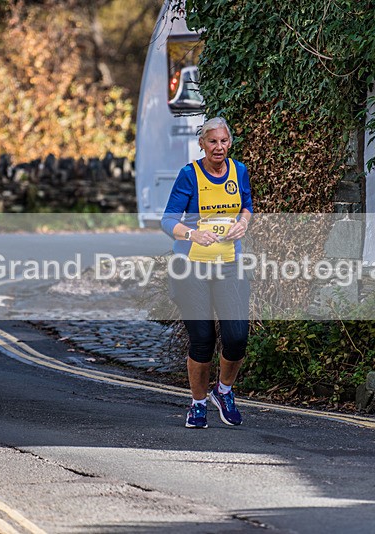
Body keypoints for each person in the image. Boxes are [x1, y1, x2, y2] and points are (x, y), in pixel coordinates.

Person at [161, 117, 253, 429]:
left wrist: (243, 223)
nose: (218, 147)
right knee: (202, 337)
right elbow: (167, 220)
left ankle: (223, 391)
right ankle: (198, 404)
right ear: (202, 144)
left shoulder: (239, 171)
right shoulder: (189, 175)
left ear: (230, 143)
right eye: (212, 141)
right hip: (192, 267)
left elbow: (247, 206)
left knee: (237, 336)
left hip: (229, 265)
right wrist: (191, 235)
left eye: (223, 141)